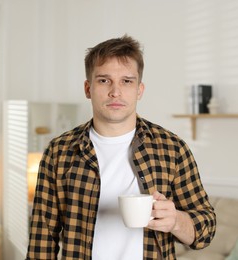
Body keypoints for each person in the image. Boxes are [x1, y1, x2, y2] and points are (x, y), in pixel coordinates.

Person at [26, 35, 216, 260]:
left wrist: (175, 221)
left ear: (140, 90)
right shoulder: (59, 151)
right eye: (104, 80)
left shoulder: (172, 149)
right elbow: (42, 240)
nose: (115, 92)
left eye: (127, 81)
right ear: (88, 88)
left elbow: (206, 230)